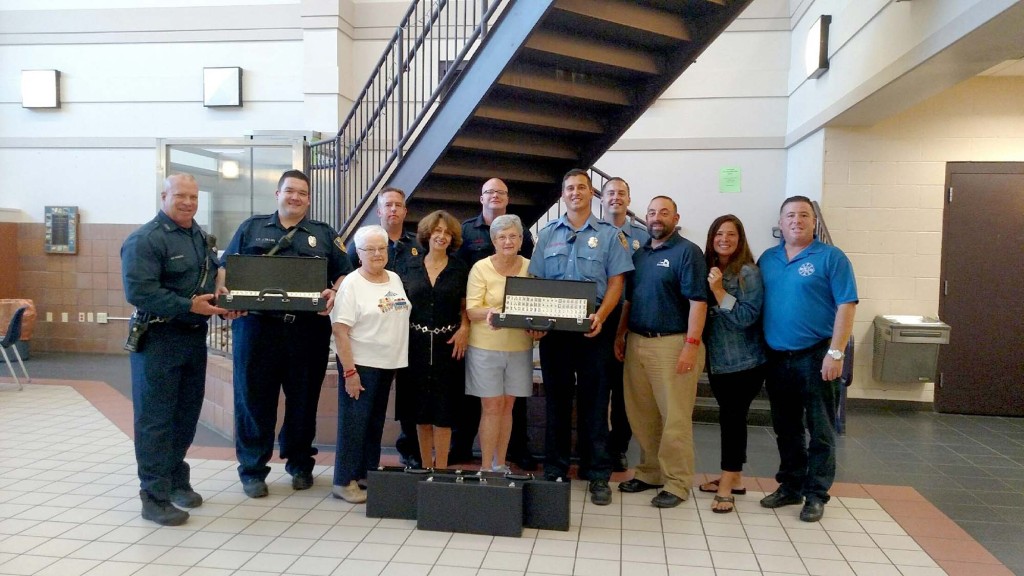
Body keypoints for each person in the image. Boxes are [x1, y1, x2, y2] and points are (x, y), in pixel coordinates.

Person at [224, 169, 352, 498]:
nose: (295, 197)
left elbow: (344, 275)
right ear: (278, 194)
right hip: (256, 329)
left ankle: (299, 464)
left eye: (302, 193)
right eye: (289, 191)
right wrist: (228, 299)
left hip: (306, 331)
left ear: (309, 200)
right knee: (253, 400)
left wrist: (334, 292)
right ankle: (252, 470)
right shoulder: (250, 228)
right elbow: (225, 270)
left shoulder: (324, 234)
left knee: (303, 400)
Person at [121, 173, 237, 525]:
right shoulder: (145, 240)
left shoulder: (198, 235)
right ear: (163, 196)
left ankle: (175, 480)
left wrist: (223, 294)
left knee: (185, 416)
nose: (188, 203)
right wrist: (189, 306)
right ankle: (153, 497)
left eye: (193, 197)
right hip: (158, 339)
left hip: (192, 338)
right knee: (156, 420)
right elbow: (140, 293)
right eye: (180, 196)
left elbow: (213, 272)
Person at [528, 169, 633, 506]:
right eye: (570, 188)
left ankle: (597, 474)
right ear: (563, 195)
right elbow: (536, 279)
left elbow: (617, 282)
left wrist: (602, 317)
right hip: (555, 333)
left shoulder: (610, 235)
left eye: (582, 188)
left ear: (592, 194)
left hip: (594, 330)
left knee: (595, 403)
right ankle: (555, 470)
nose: (575, 193)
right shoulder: (546, 235)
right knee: (556, 402)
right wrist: (538, 321)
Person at [757, 195, 858, 523]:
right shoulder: (768, 259)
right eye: (790, 216)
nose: (796, 220)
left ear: (814, 222)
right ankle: (791, 485)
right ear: (781, 222)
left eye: (803, 215)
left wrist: (836, 352)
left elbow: (847, 305)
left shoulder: (832, 258)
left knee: (821, 428)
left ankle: (816, 494)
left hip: (816, 355)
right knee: (786, 428)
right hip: (777, 358)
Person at [613, 196, 708, 509]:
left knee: (674, 419)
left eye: (663, 212)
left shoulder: (688, 252)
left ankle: (678, 482)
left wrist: (691, 346)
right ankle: (650, 472)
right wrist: (621, 334)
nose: (656, 218)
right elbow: (629, 301)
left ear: (675, 217)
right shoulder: (640, 255)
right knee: (643, 415)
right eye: (652, 212)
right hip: (637, 341)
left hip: (673, 343)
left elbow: (698, 302)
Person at [453, 177, 536, 469]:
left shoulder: (531, 268)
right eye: (502, 237)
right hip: (486, 347)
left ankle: (501, 463)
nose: (508, 242)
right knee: (490, 407)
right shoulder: (480, 267)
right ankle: (487, 466)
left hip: (519, 347)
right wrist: (493, 314)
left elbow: (537, 305)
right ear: (493, 240)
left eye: (513, 236)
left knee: (509, 407)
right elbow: (473, 309)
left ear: (521, 239)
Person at [331, 225, 412, 502]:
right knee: (354, 424)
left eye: (382, 248)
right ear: (359, 253)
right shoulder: (352, 284)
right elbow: (340, 330)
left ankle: (366, 473)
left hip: (387, 364)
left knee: (374, 423)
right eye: (370, 249)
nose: (377, 253)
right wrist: (350, 372)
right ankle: (343, 481)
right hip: (361, 365)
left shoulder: (394, 279)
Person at [346, 187, 424, 468]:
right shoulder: (362, 244)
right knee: (367, 410)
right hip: (371, 341)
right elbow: (347, 280)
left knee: (409, 397)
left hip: (407, 334)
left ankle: (410, 449)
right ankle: (356, 469)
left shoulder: (418, 245)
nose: (393, 209)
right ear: (379, 211)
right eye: (387, 205)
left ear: (405, 211)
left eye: (398, 205)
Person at [697, 215, 767, 513]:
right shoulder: (712, 269)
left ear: (740, 240)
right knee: (731, 418)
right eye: (718, 234)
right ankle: (735, 478)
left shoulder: (747, 273)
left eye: (731, 235)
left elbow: (745, 317)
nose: (724, 239)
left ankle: (726, 488)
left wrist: (718, 293)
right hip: (719, 362)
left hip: (744, 362)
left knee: (732, 421)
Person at [397, 210, 469, 469]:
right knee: (420, 412)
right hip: (414, 346)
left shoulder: (460, 268)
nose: (442, 236)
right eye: (437, 231)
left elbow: (465, 306)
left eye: (447, 233)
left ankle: (441, 470)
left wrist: (464, 329)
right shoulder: (409, 265)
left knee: (444, 412)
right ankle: (426, 466)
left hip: (448, 347)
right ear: (427, 235)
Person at [599, 176, 650, 472]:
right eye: (610, 193)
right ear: (602, 200)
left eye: (621, 193)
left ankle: (618, 447)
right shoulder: (593, 233)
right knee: (597, 387)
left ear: (629, 200)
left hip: (629, 321)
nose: (616, 197)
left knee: (622, 391)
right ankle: (595, 444)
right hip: (599, 319)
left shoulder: (643, 239)